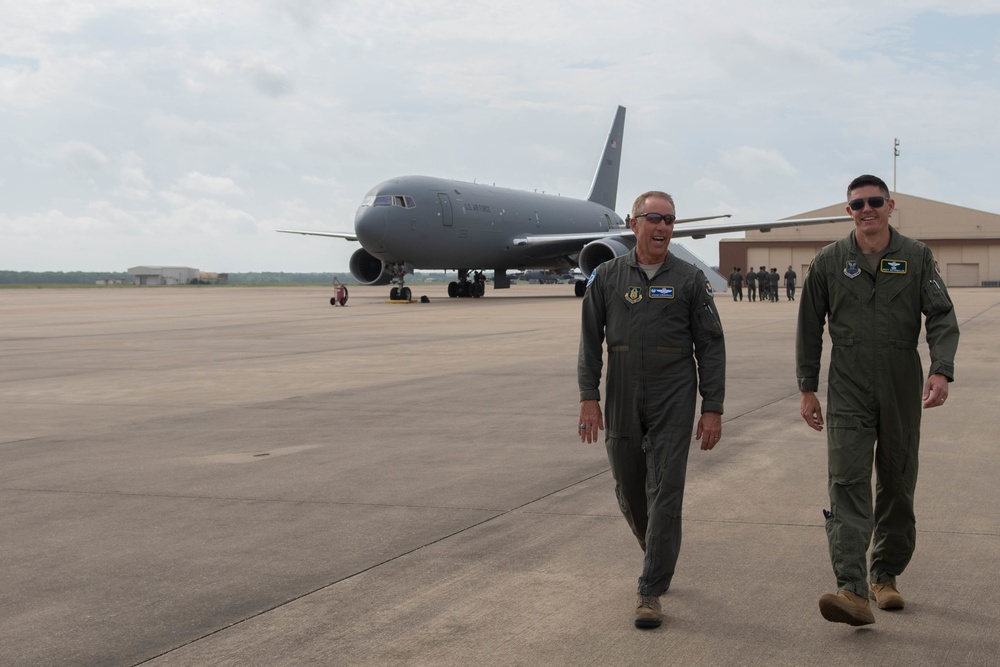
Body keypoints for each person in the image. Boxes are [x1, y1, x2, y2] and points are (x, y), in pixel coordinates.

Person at [796, 174, 960, 627]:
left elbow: (942, 315)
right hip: (847, 383)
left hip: (900, 381)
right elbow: (810, 328)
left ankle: (884, 576)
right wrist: (807, 388)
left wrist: (941, 368)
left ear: (890, 205)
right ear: (848, 210)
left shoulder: (916, 256)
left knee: (897, 481)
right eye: (856, 204)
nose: (866, 209)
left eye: (874, 202)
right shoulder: (829, 261)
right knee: (846, 482)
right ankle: (850, 589)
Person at [578, 190, 726, 629]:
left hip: (674, 393)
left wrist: (712, 407)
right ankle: (658, 551)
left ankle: (650, 589)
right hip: (621, 390)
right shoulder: (606, 276)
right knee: (628, 487)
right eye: (654, 218)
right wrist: (589, 396)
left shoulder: (690, 279)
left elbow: (711, 347)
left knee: (665, 490)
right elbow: (589, 342)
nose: (662, 227)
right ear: (634, 221)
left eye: (670, 220)